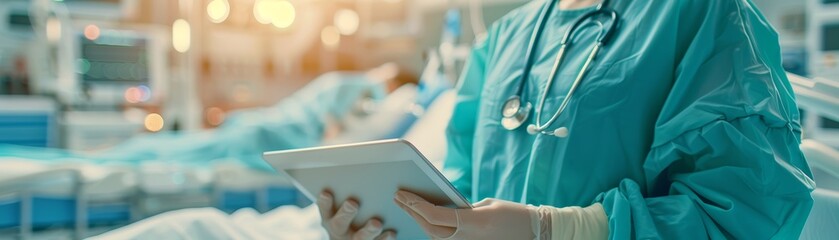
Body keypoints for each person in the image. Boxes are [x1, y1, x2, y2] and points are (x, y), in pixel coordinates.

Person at [317, 0, 815, 239]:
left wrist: (562, 229)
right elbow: (460, 191)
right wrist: (395, 225)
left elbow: (750, 211)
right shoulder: (505, 37)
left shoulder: (704, 15)